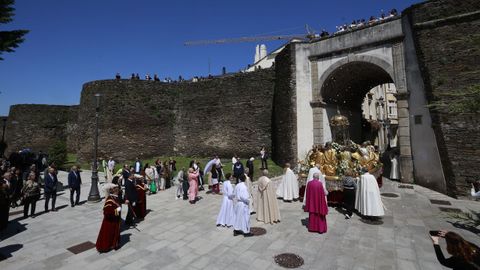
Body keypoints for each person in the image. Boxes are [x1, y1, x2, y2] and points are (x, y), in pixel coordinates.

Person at [96, 184, 122, 253]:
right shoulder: (109, 200)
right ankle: (105, 247)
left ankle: (112, 244)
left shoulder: (115, 198)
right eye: (118, 191)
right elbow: (107, 212)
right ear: (115, 192)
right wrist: (117, 210)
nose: (119, 192)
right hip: (109, 222)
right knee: (108, 234)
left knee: (113, 233)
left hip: (115, 220)